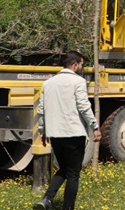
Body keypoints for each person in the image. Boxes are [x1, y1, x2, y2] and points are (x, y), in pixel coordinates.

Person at [34, 51, 102, 210]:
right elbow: (84, 107)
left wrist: (43, 131)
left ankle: (46, 200)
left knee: (63, 168)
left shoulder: (48, 83)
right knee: (73, 174)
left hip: (55, 135)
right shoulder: (78, 82)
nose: (82, 67)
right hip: (73, 133)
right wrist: (95, 127)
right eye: (81, 64)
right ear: (75, 64)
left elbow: (41, 110)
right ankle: (68, 208)